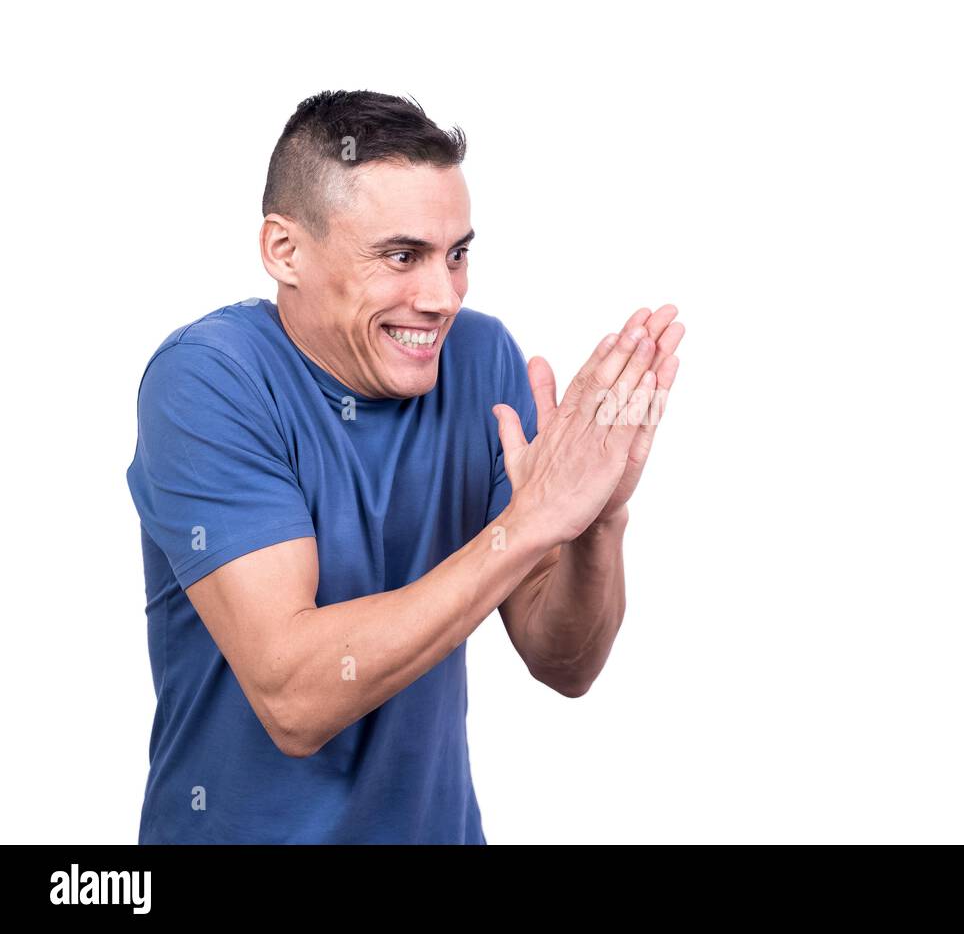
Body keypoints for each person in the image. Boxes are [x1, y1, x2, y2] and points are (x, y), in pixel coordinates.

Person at [124, 90, 684, 843]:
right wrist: (524, 527)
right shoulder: (207, 380)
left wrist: (595, 520)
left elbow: (565, 662)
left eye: (457, 254)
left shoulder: (482, 359)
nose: (442, 296)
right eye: (402, 255)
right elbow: (294, 697)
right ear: (284, 251)